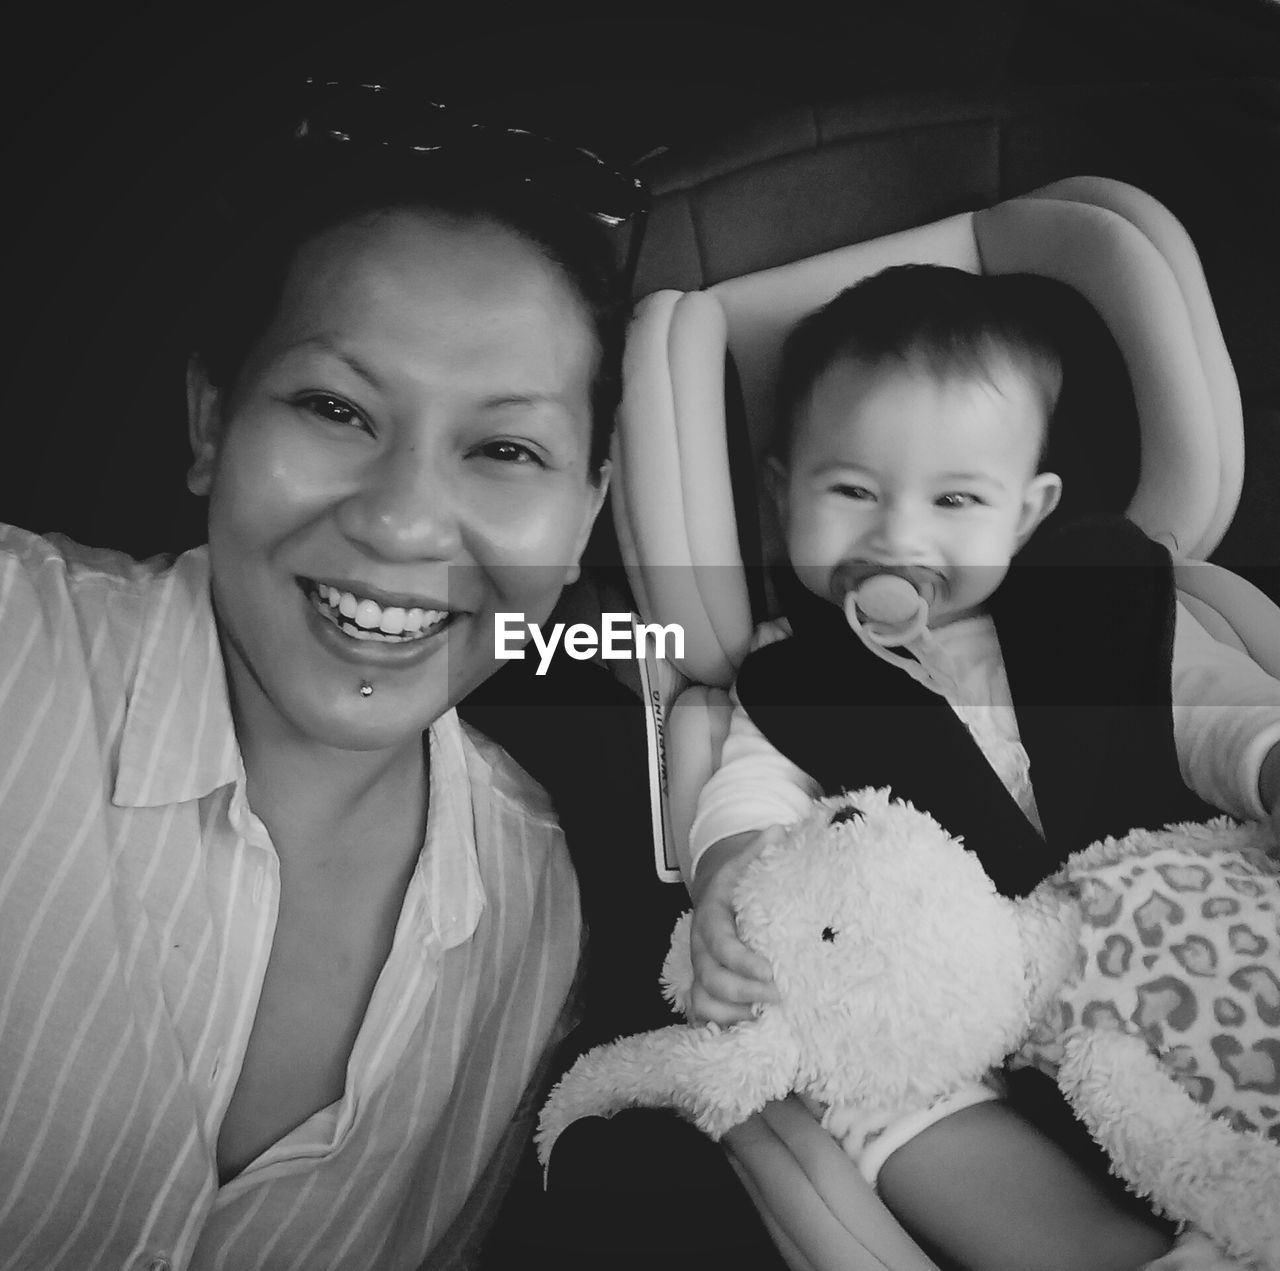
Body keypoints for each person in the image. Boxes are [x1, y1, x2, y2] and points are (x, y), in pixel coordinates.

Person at [0, 91, 783, 1271]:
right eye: (333, 406)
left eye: (505, 448)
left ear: (585, 512)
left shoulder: (543, 924)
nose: (406, 517)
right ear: (211, 416)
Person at [686, 265, 1280, 1271]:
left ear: (1023, 509)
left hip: (1178, 933)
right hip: (977, 1002)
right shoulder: (794, 676)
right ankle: (1099, 1249)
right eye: (852, 490)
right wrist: (729, 875)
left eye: (954, 498)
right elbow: (750, 792)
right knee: (862, 1079)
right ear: (783, 492)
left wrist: (1267, 768)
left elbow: (1213, 715)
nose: (898, 536)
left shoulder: (1103, 608)